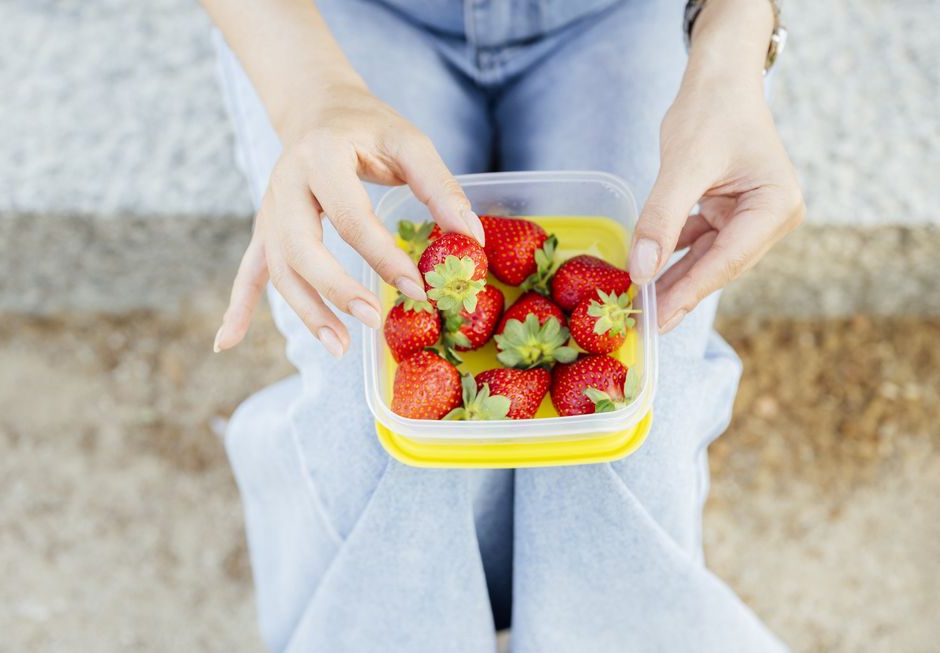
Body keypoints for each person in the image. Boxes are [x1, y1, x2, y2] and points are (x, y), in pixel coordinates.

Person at [203, 0, 804, 650]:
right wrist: (314, 100)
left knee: (629, 437)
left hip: (632, 15)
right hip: (341, 21)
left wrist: (732, 41)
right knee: (369, 428)